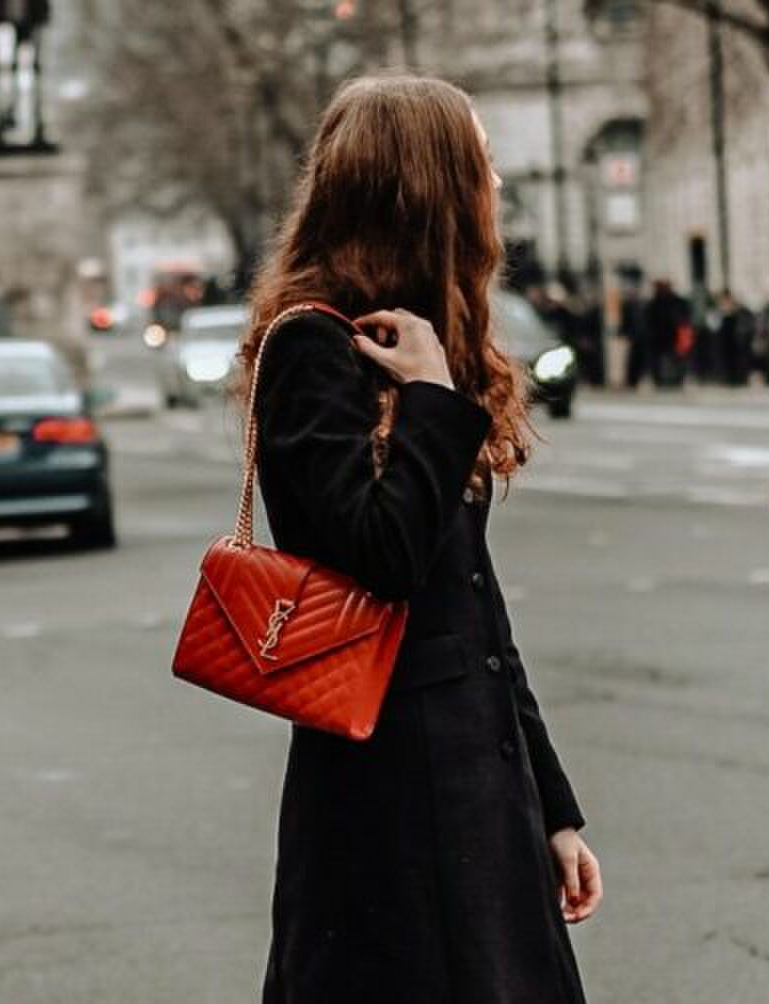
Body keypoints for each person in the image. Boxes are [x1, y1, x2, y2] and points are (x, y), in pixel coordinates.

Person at [242, 75, 601, 1004]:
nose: (493, 181)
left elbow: (474, 607)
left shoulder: (424, 340)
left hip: (479, 792)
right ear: (423, 184)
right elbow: (382, 559)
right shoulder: (311, 349)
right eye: (477, 160)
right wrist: (435, 399)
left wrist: (553, 812)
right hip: (386, 800)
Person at [644, 278, 690, 388]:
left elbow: (684, 320)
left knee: (678, 359)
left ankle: (676, 380)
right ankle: (661, 381)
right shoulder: (653, 303)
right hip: (658, 338)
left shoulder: (678, 302)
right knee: (658, 361)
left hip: (674, 336)